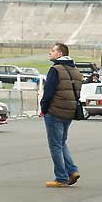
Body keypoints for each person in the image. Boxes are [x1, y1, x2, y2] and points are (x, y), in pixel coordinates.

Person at [39, 43, 82, 188]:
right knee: (62, 143)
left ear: (60, 54)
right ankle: (72, 171)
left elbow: (48, 92)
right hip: (69, 112)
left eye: (52, 51)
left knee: (55, 145)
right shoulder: (75, 70)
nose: (49, 53)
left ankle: (61, 177)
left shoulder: (55, 70)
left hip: (55, 111)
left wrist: (44, 109)